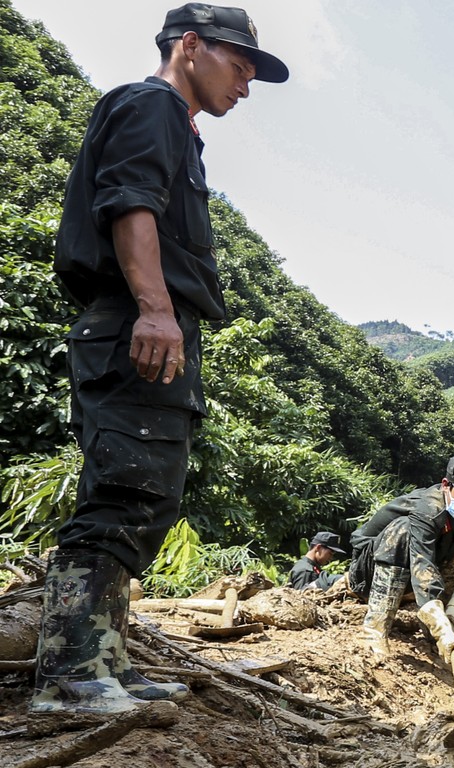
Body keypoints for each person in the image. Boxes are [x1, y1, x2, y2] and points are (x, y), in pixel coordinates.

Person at [33, 4, 287, 716]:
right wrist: (152, 306)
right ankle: (70, 674)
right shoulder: (150, 105)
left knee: (149, 492)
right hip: (134, 323)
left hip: (156, 326)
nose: (245, 85)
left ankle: (106, 658)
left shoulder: (175, 124)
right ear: (191, 46)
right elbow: (130, 204)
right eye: (239, 67)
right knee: (121, 490)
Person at [358, 453, 454, 659]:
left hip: (422, 573)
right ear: (445, 485)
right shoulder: (427, 508)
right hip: (371, 574)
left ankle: (438, 620)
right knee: (403, 530)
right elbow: (422, 563)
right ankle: (374, 631)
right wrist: (440, 626)